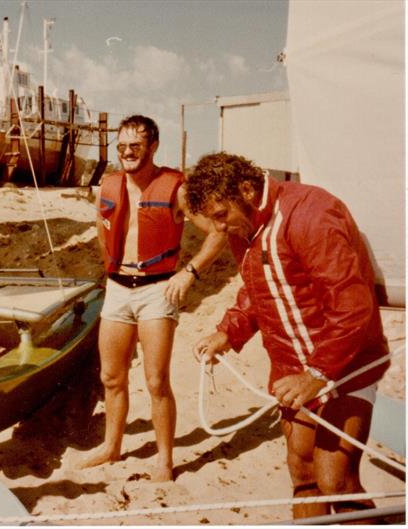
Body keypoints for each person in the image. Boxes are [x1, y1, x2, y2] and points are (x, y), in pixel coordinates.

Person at [186, 152, 390, 519]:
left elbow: (352, 306)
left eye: (220, 216)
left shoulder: (310, 213)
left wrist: (316, 375)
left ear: (246, 190)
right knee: (304, 474)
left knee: (337, 481)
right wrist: (227, 333)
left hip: (346, 363)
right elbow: (257, 290)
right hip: (292, 368)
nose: (218, 229)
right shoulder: (242, 226)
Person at [81, 115, 225, 481]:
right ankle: (112, 447)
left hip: (157, 292)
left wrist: (188, 274)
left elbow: (218, 232)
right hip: (117, 289)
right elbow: (101, 231)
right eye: (122, 146)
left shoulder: (175, 188)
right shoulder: (108, 186)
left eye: (136, 146)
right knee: (111, 377)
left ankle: (164, 459)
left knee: (157, 380)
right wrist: (114, 269)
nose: (128, 153)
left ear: (153, 147)